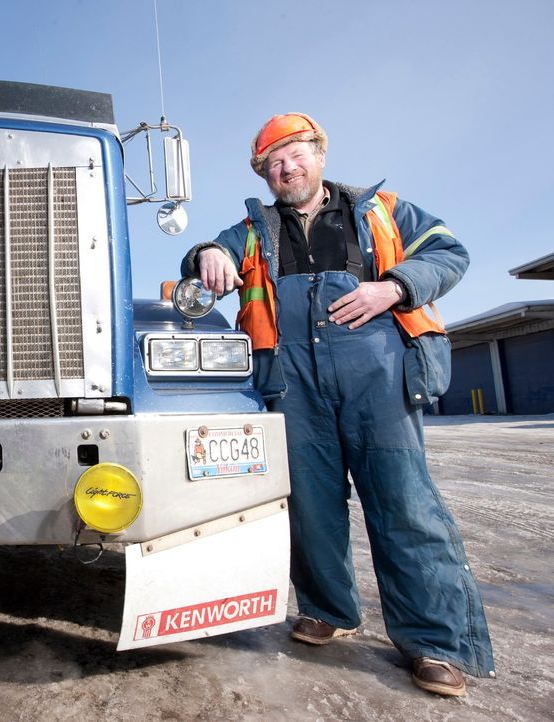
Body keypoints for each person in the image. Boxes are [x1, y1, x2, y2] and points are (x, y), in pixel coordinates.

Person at [180, 113, 494, 696]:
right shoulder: (254, 228)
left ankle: (434, 643)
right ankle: (328, 610)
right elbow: (203, 259)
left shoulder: (381, 210)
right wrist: (205, 255)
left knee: (404, 504)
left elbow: (449, 254)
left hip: (377, 371)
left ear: (319, 154)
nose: (284, 168)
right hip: (292, 381)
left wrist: (394, 286)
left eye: (294, 154)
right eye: (272, 164)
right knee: (312, 507)